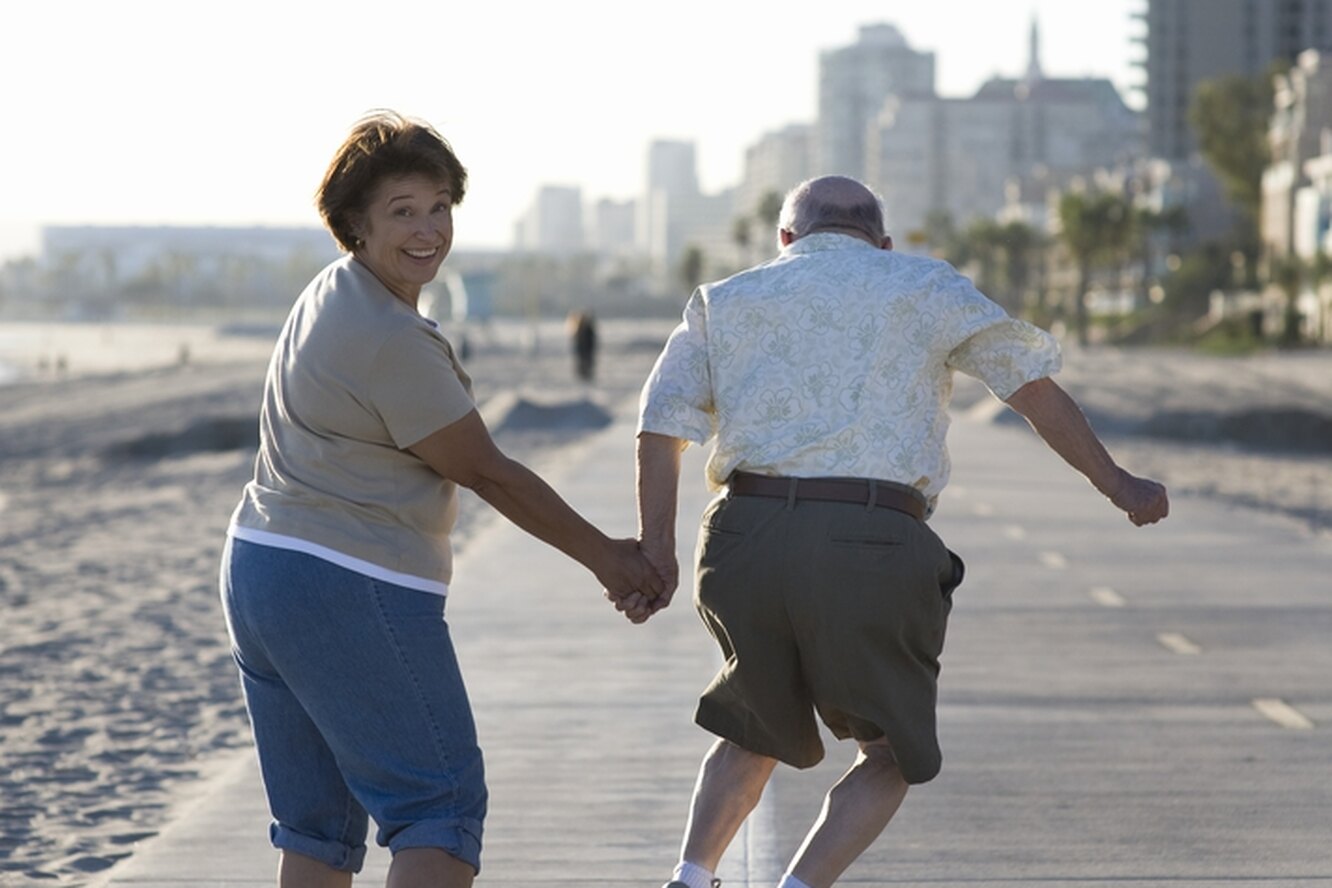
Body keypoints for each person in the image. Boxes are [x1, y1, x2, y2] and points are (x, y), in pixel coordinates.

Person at [634, 175, 1169, 888]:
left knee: (749, 728)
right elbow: (1030, 389)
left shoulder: (726, 299)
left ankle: (691, 879)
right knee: (889, 753)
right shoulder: (923, 285)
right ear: (882, 243)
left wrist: (655, 553)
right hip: (874, 540)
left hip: (744, 538)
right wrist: (1120, 485)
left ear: (786, 240)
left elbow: (660, 426)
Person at [219, 111, 662, 888]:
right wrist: (611, 559)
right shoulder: (389, 335)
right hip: (348, 581)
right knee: (439, 811)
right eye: (402, 211)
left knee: (317, 832)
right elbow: (486, 471)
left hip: (263, 572)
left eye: (440, 207)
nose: (428, 231)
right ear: (354, 222)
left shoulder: (331, 293)